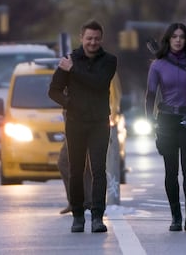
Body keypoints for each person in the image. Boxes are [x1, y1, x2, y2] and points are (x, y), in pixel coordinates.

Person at [48, 19, 117, 234]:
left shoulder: (109, 61)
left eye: (96, 39)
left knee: (98, 170)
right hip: (75, 123)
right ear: (82, 38)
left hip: (99, 123)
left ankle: (97, 217)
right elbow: (54, 90)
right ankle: (78, 216)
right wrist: (70, 104)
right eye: (89, 38)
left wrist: (74, 70)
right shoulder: (69, 61)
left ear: (101, 39)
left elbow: (98, 83)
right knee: (75, 171)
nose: (93, 42)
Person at [146, 23, 186, 232]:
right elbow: (149, 96)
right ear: (168, 39)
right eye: (174, 36)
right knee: (171, 170)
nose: (178, 40)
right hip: (166, 120)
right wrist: (150, 122)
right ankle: (175, 216)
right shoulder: (157, 65)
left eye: (181, 37)